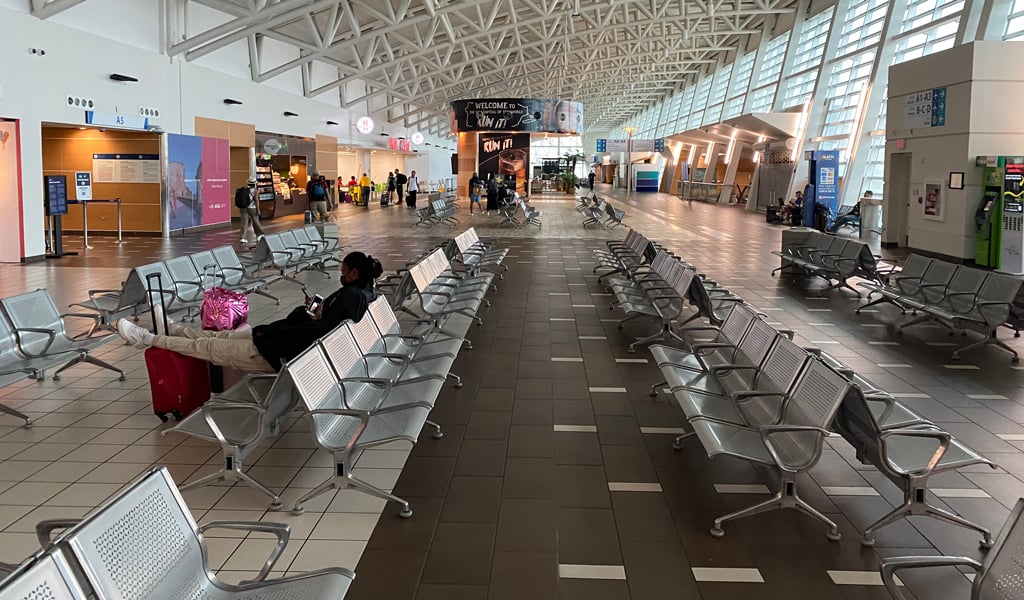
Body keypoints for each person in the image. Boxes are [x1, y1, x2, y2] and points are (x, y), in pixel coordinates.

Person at [114, 252, 384, 372]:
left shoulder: (350, 298)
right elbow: (324, 323)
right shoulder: (361, 296)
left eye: (343, 272)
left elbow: (314, 330)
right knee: (215, 339)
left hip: (270, 352)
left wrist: (313, 316)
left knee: (203, 346)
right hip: (269, 340)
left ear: (354, 274)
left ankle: (145, 339)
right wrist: (318, 313)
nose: (341, 275)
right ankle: (172, 329)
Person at [239, 177, 265, 244]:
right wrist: (258, 209)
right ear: (255, 183)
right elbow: (256, 200)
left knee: (244, 223)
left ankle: (243, 238)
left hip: (243, 208)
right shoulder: (255, 190)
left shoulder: (244, 189)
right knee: (255, 221)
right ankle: (260, 234)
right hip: (252, 208)